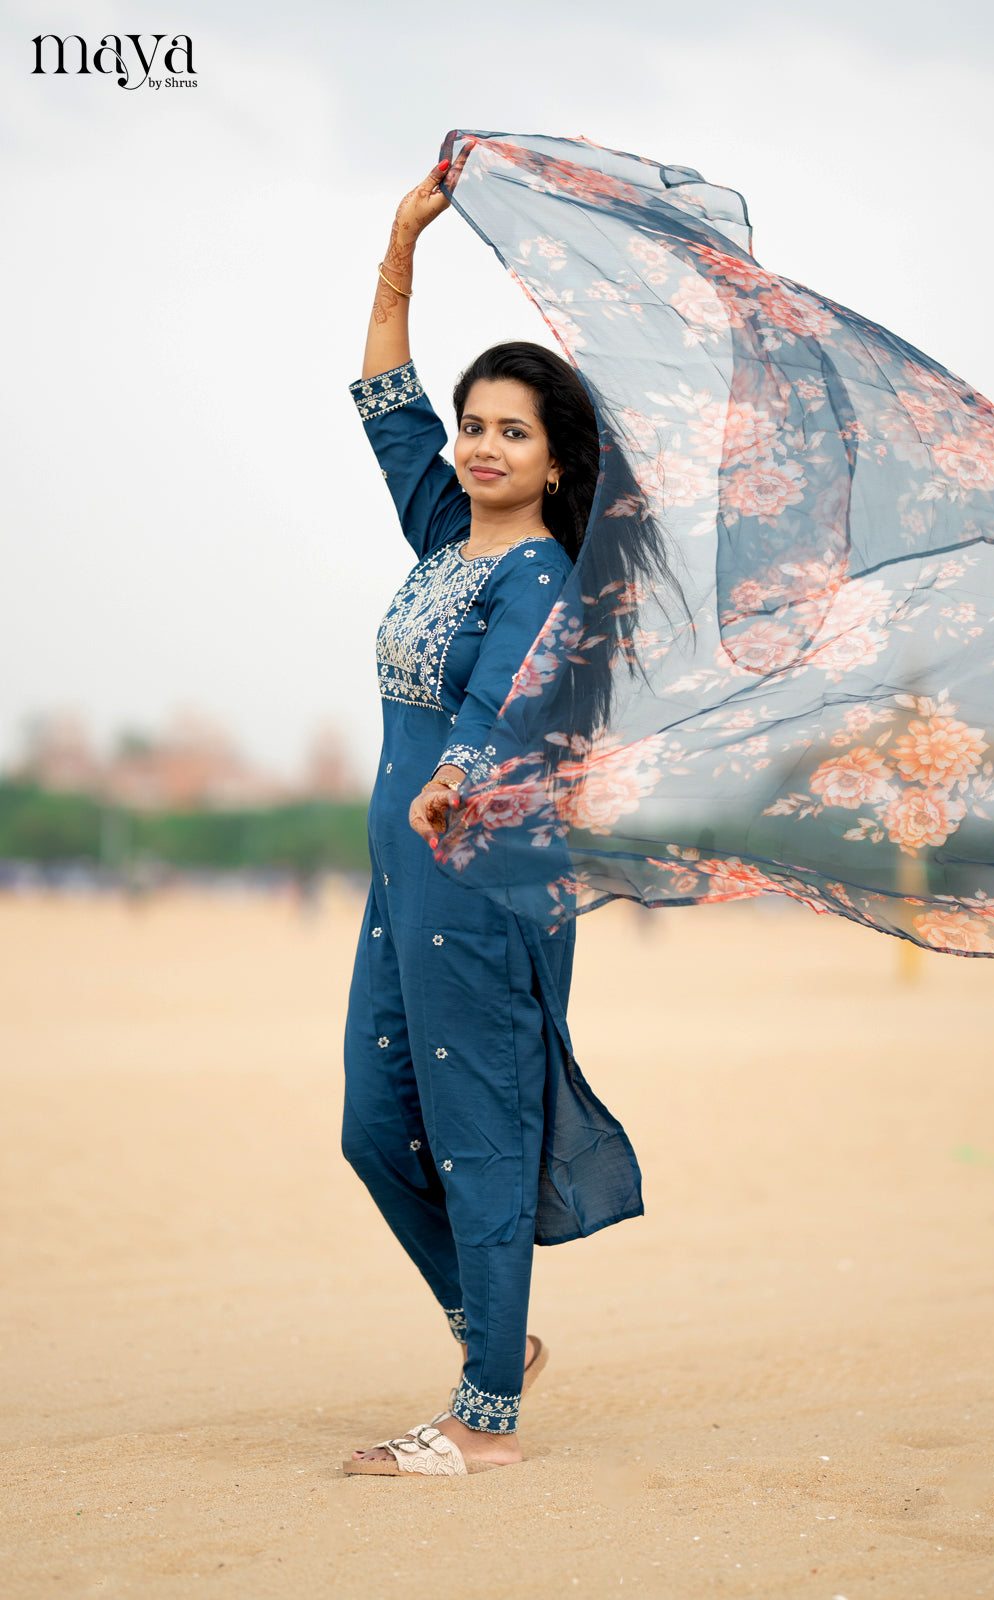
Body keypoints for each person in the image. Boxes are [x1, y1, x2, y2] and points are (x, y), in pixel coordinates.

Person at [340, 145, 647, 1478]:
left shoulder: (539, 575)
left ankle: (485, 1419)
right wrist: (404, 249)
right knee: (372, 1122)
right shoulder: (441, 534)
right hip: (403, 878)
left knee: (478, 1125)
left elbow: (501, 706)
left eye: (511, 430)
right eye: (474, 424)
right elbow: (385, 400)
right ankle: (493, 1335)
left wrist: (454, 779)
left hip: (480, 871)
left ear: (558, 461)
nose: (476, 444)